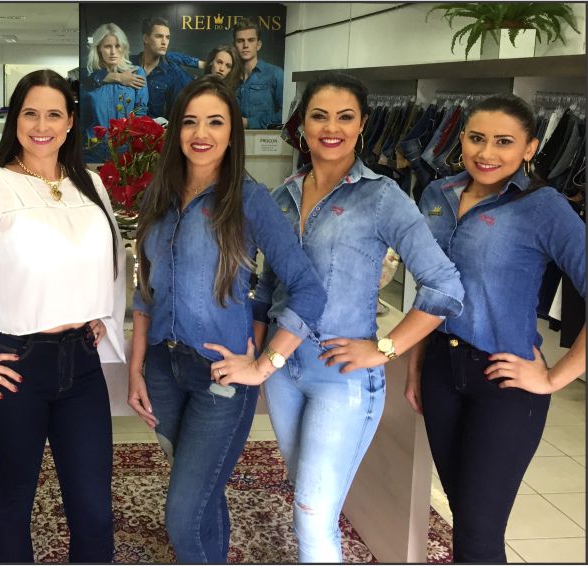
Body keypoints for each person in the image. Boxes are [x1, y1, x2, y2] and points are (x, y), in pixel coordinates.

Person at [252, 72, 464, 562]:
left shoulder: (382, 196)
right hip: (284, 371)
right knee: (306, 497)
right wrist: (256, 354)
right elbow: (267, 287)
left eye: (345, 117)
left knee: (311, 517)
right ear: (301, 125)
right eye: (319, 116)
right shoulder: (283, 195)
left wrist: (385, 348)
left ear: (363, 124)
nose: (332, 128)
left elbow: (444, 285)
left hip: (341, 376)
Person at [0, 69, 126, 563]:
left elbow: (114, 260)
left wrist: (101, 313)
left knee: (95, 510)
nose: (41, 125)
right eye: (30, 113)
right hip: (16, 364)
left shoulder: (91, 184)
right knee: (14, 504)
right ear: (15, 119)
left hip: (80, 362)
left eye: (54, 114)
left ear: (71, 121)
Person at [127, 75, 327, 563]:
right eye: (190, 122)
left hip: (221, 379)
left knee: (181, 515)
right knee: (202, 497)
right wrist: (135, 368)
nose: (202, 133)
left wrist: (264, 365)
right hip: (163, 370)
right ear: (176, 131)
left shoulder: (249, 199)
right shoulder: (158, 195)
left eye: (215, 122)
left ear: (232, 132)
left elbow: (308, 288)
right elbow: (146, 290)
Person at [407, 94, 586, 563]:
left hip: (504, 381)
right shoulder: (437, 195)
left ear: (529, 149)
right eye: (476, 138)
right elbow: (429, 289)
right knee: (463, 515)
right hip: (440, 371)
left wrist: (554, 377)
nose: (486, 153)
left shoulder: (543, 207)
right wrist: (415, 365)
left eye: (504, 142)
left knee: (479, 533)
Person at [88, 17, 203, 120]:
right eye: (159, 36)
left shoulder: (173, 73)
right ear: (145, 38)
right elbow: (88, 76)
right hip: (121, 128)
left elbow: (178, 112)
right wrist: (119, 77)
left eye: (167, 37)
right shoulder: (127, 63)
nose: (164, 42)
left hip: (152, 131)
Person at [82, 22, 149, 163]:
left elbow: (140, 111)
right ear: (99, 48)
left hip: (125, 151)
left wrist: (133, 145)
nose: (113, 52)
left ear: (124, 47)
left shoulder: (137, 72)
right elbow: (83, 117)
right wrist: (117, 77)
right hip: (93, 151)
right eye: (107, 46)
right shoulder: (89, 77)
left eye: (117, 46)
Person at [233, 17, 284, 129]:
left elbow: (285, 114)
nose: (245, 45)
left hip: (264, 139)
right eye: (240, 41)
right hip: (234, 138)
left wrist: (249, 123)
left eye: (251, 40)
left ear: (258, 45)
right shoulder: (230, 77)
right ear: (234, 45)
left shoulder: (275, 74)